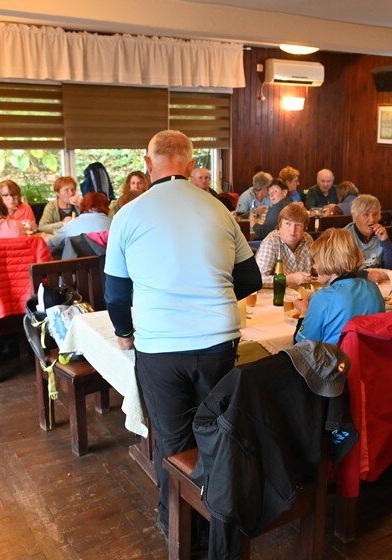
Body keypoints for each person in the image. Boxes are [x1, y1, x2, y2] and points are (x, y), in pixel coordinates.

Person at [104, 130, 261, 537]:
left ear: (146, 161)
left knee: (172, 439)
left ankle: (174, 522)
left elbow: (116, 295)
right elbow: (250, 276)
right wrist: (210, 296)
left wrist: (124, 332)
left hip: (160, 346)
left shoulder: (128, 215)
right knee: (216, 432)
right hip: (217, 340)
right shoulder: (218, 210)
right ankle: (217, 518)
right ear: (192, 166)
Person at [295, 228, 384, 344]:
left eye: (316, 261)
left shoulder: (322, 297)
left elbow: (301, 347)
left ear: (327, 261)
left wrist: (303, 313)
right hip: (367, 359)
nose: (314, 267)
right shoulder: (373, 288)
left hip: (336, 360)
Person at [254, 202, 313, 288]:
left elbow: (320, 269)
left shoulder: (307, 239)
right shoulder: (271, 242)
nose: (293, 230)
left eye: (298, 225)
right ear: (280, 225)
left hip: (303, 296)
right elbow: (257, 279)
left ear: (304, 228)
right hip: (276, 296)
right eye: (288, 224)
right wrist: (287, 279)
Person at [343, 195, 392, 270]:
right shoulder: (344, 237)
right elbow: (342, 271)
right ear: (355, 216)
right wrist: (366, 275)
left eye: (375, 214)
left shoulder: (381, 234)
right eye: (366, 214)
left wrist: (385, 241)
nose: (372, 220)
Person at [46, 192, 112, 258]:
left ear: (83, 205)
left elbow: (50, 245)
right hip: (107, 265)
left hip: (76, 266)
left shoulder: (72, 224)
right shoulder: (113, 223)